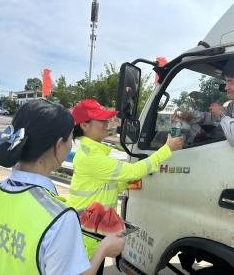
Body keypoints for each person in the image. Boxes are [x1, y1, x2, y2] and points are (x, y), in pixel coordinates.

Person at [0, 99, 125, 275]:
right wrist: (104, 248)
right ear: (59, 145)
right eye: (71, 138)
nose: (72, 144)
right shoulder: (60, 217)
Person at [68, 99, 184, 274]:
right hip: (86, 238)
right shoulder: (90, 156)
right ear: (85, 125)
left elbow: (106, 186)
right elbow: (133, 171)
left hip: (91, 232)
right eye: (102, 120)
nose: (107, 124)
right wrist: (167, 149)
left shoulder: (94, 151)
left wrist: (127, 182)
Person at [179, 54, 234, 146]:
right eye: (226, 82)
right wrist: (190, 116)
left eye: (230, 82)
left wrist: (221, 115)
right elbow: (218, 118)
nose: (226, 87)